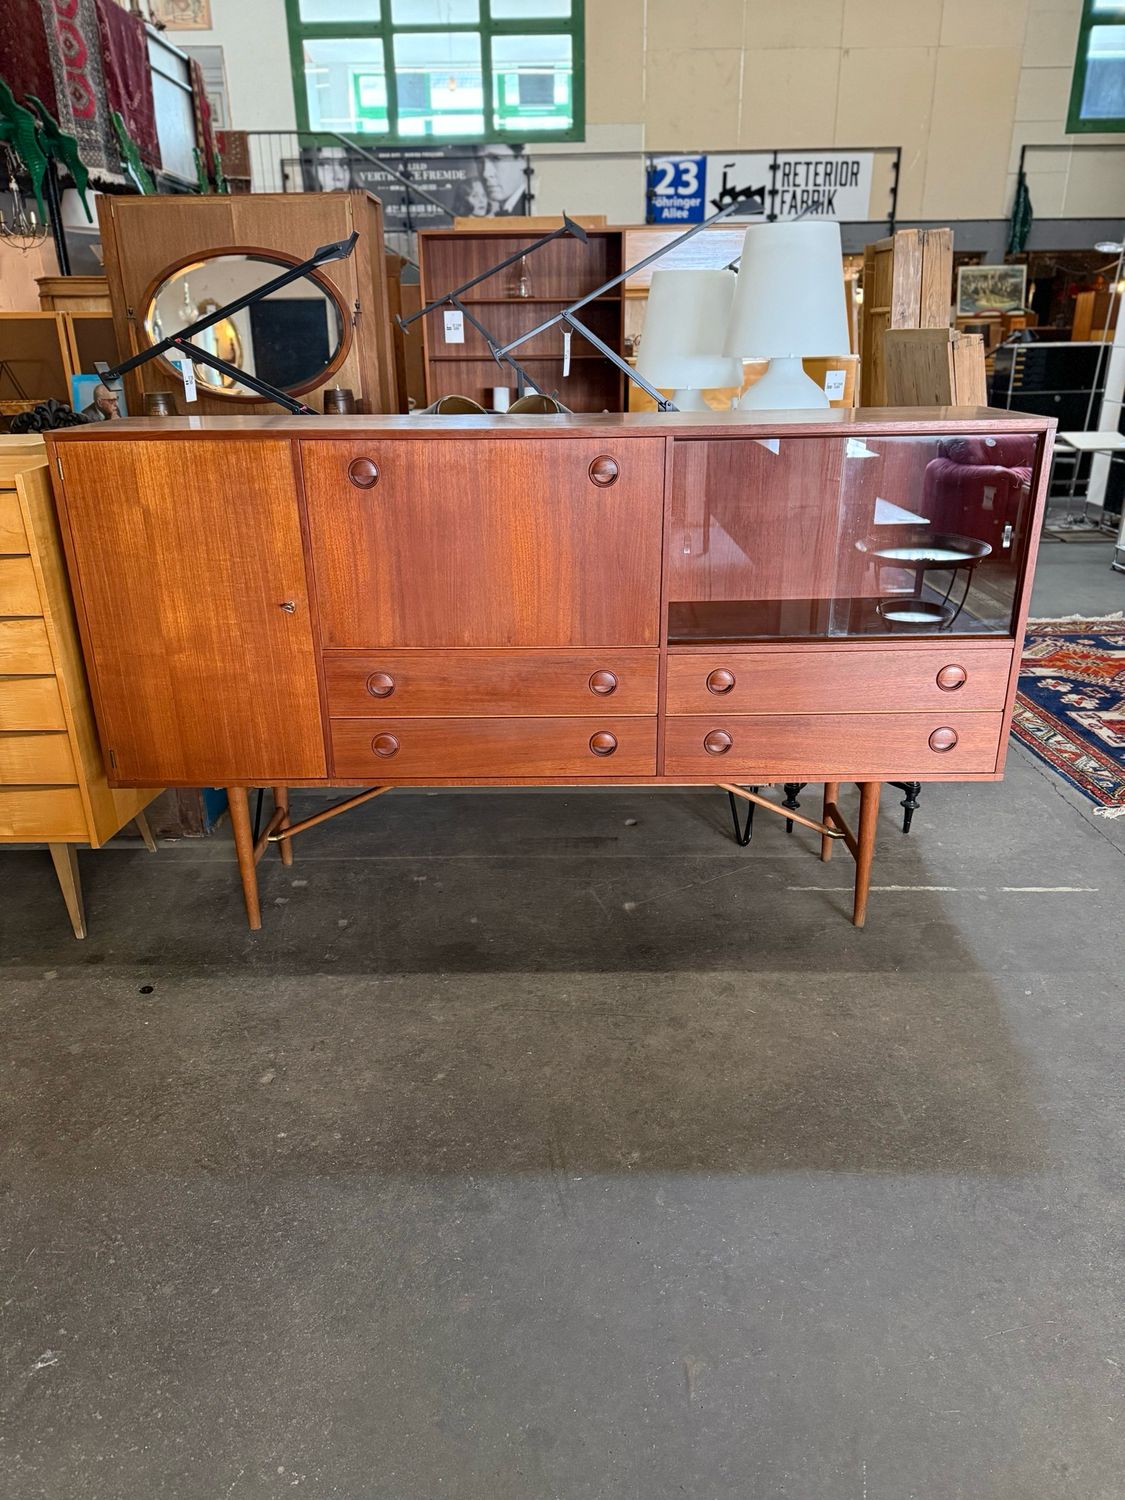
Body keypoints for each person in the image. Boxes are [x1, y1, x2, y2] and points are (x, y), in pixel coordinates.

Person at [476, 143, 530, 216]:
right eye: (480, 162)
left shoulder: (530, 208)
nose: (486, 173)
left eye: (496, 158)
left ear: (523, 160)